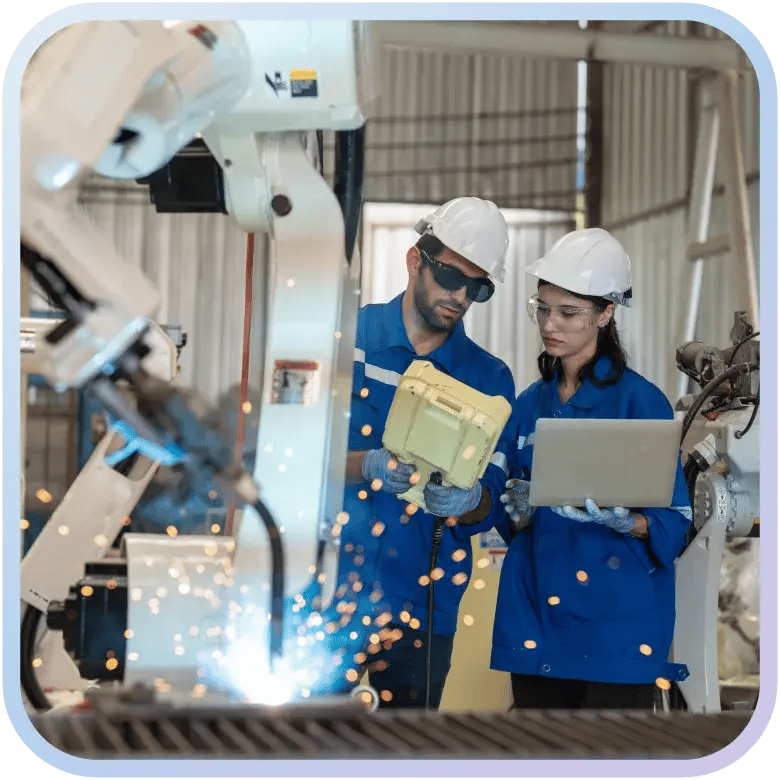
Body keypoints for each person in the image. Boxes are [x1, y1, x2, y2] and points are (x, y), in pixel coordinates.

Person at [489, 227, 693, 710]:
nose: (549, 324)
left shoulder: (640, 402)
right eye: (542, 309)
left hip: (616, 627)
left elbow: (677, 521)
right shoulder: (528, 404)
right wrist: (506, 503)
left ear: (606, 313)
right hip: (536, 617)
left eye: (568, 312)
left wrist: (627, 522)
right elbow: (502, 510)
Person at [327, 197, 516, 709]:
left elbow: (491, 505)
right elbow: (294, 458)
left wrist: (470, 498)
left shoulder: (489, 381)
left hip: (424, 604)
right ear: (416, 261)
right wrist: (362, 465)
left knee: (405, 754)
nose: (460, 296)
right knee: (308, 743)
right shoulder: (348, 342)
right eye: (452, 277)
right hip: (329, 590)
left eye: (476, 288)